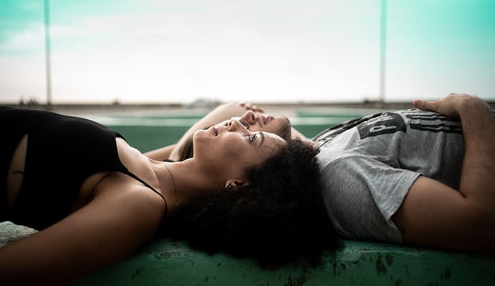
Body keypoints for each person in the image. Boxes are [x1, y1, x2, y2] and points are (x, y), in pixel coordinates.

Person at [0, 106, 337, 286]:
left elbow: (8, 274)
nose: (238, 124)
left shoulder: (141, 204)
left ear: (239, 187)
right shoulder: (162, 167)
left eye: (250, 139)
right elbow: (231, 109)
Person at [162, 94, 495, 254]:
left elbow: (227, 114)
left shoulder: (318, 153)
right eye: (251, 135)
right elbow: (479, 223)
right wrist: (475, 111)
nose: (244, 117)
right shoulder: (337, 178)